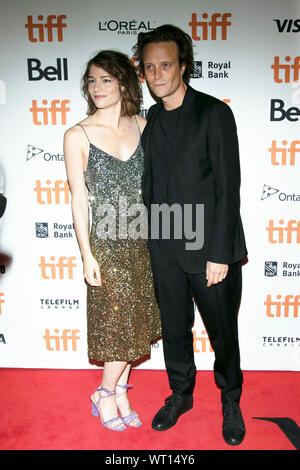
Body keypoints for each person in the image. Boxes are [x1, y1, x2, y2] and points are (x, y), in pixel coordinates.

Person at [133, 25, 248, 445]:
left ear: (183, 65)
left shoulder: (214, 113)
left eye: (165, 64)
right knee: (174, 329)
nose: (157, 73)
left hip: (209, 249)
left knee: (223, 333)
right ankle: (180, 393)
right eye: (149, 67)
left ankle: (231, 399)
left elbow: (227, 187)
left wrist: (220, 252)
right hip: (163, 244)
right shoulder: (151, 119)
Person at [63, 50, 161, 432]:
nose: (98, 87)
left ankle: (120, 389)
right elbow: (77, 198)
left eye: (106, 79)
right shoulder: (77, 134)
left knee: (137, 320)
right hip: (106, 241)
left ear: (123, 82)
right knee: (116, 322)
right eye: (92, 80)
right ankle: (104, 392)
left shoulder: (142, 123)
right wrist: (86, 253)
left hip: (146, 238)